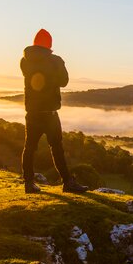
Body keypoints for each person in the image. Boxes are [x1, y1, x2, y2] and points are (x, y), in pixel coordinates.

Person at [20, 28, 88, 194]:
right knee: (57, 148)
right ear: (49, 44)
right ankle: (68, 182)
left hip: (32, 112)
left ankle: (28, 183)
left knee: (29, 148)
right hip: (49, 112)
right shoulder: (55, 60)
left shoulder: (24, 60)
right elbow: (64, 81)